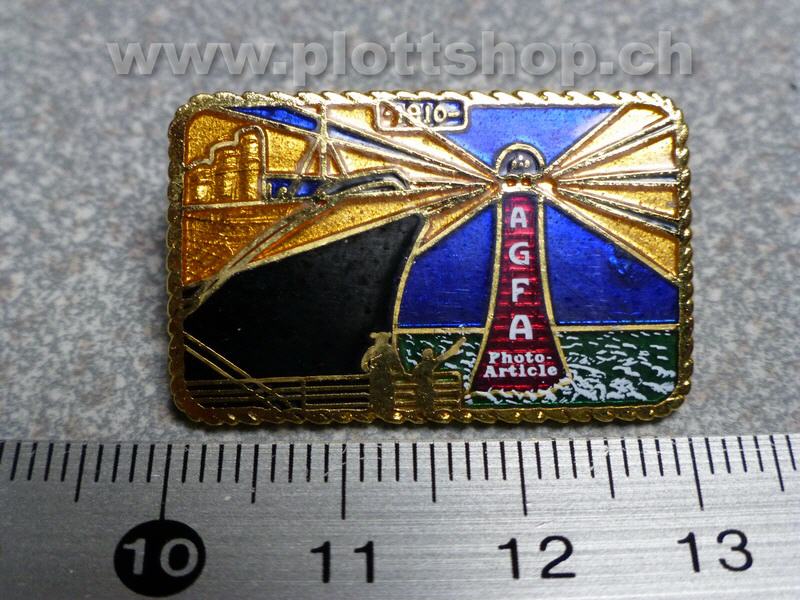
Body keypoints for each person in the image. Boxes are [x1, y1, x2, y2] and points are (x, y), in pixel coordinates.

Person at [412, 337, 465, 417]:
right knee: (427, 401)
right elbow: (445, 355)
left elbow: (446, 355)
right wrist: (458, 345)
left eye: (431, 355)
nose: (431, 356)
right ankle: (427, 413)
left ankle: (426, 413)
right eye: (430, 355)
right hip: (425, 388)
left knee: (426, 401)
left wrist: (458, 345)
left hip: (424, 388)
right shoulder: (428, 364)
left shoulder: (420, 366)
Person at [360, 332, 405, 419]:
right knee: (384, 393)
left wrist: (368, 369)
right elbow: (397, 363)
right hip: (383, 375)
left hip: (379, 375)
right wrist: (401, 372)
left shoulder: (376, 349)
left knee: (380, 393)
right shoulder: (387, 350)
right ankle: (384, 412)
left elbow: (364, 363)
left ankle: (379, 411)